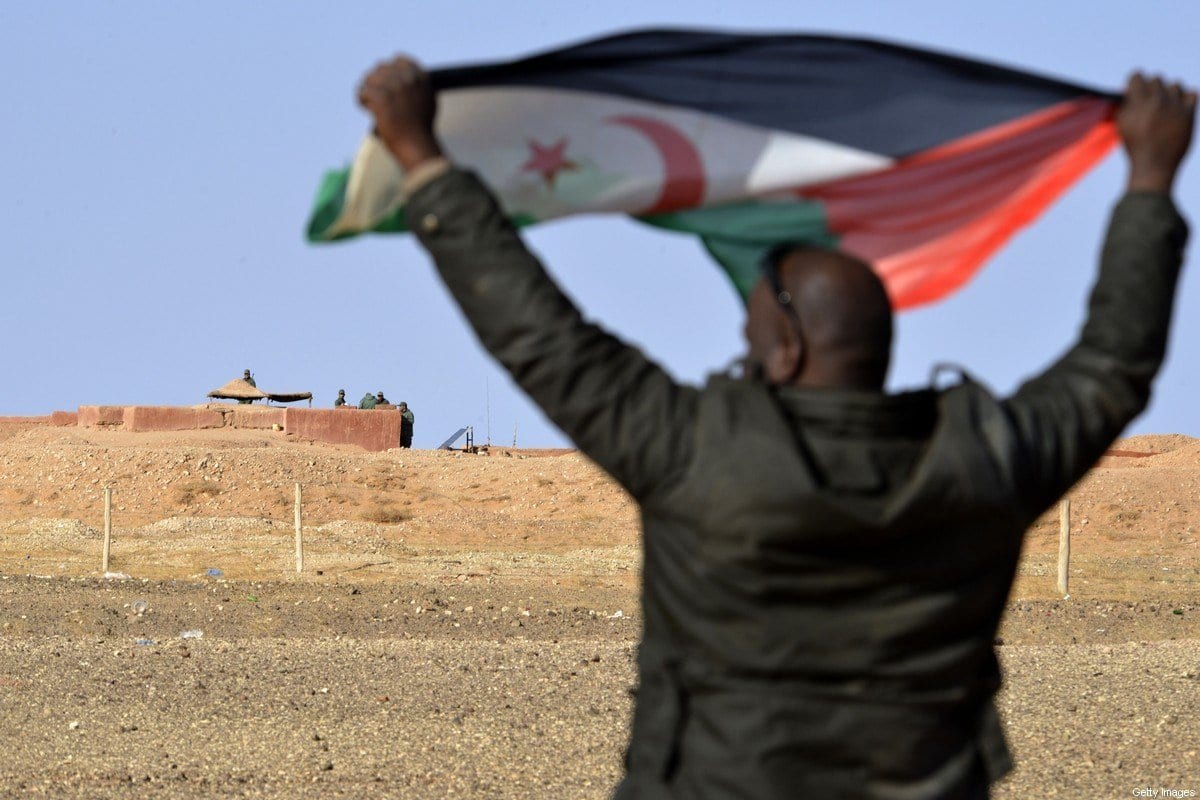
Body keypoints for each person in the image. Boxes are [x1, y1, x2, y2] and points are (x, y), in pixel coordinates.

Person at [357, 58, 1194, 799]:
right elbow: (1113, 364)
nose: (742, 358)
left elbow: (541, 335)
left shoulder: (696, 453)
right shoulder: (987, 462)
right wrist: (1151, 176)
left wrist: (423, 158)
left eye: (750, 339)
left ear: (787, 348)